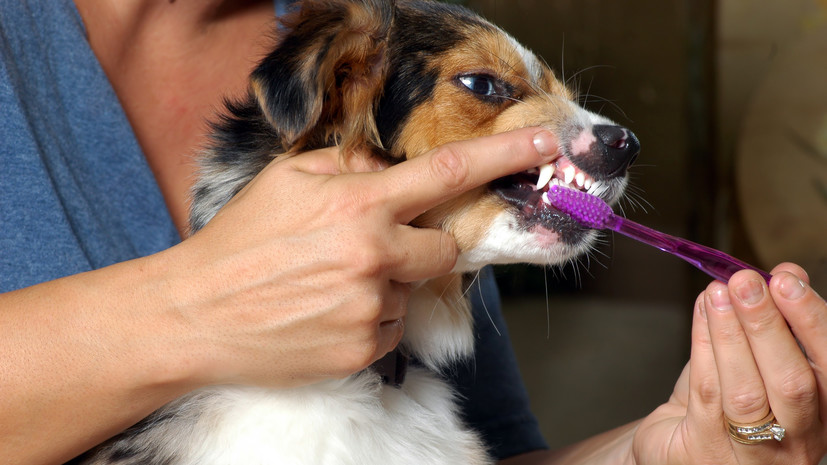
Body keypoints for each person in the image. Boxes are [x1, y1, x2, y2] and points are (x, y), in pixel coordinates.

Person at [1, 1, 825, 465]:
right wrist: (200, 312)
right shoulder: (358, 56)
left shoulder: (398, 46)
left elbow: (492, 449)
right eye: (487, 88)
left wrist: (669, 451)